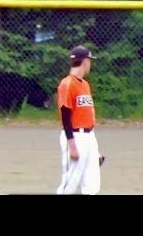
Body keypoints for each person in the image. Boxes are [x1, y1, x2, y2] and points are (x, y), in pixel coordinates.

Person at [56, 45, 102, 195]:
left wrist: (95, 149)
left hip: (88, 136)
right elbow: (65, 115)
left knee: (92, 181)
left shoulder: (85, 85)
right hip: (75, 136)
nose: (90, 64)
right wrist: (72, 146)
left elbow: (86, 116)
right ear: (85, 61)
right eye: (89, 60)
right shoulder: (67, 84)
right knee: (70, 181)